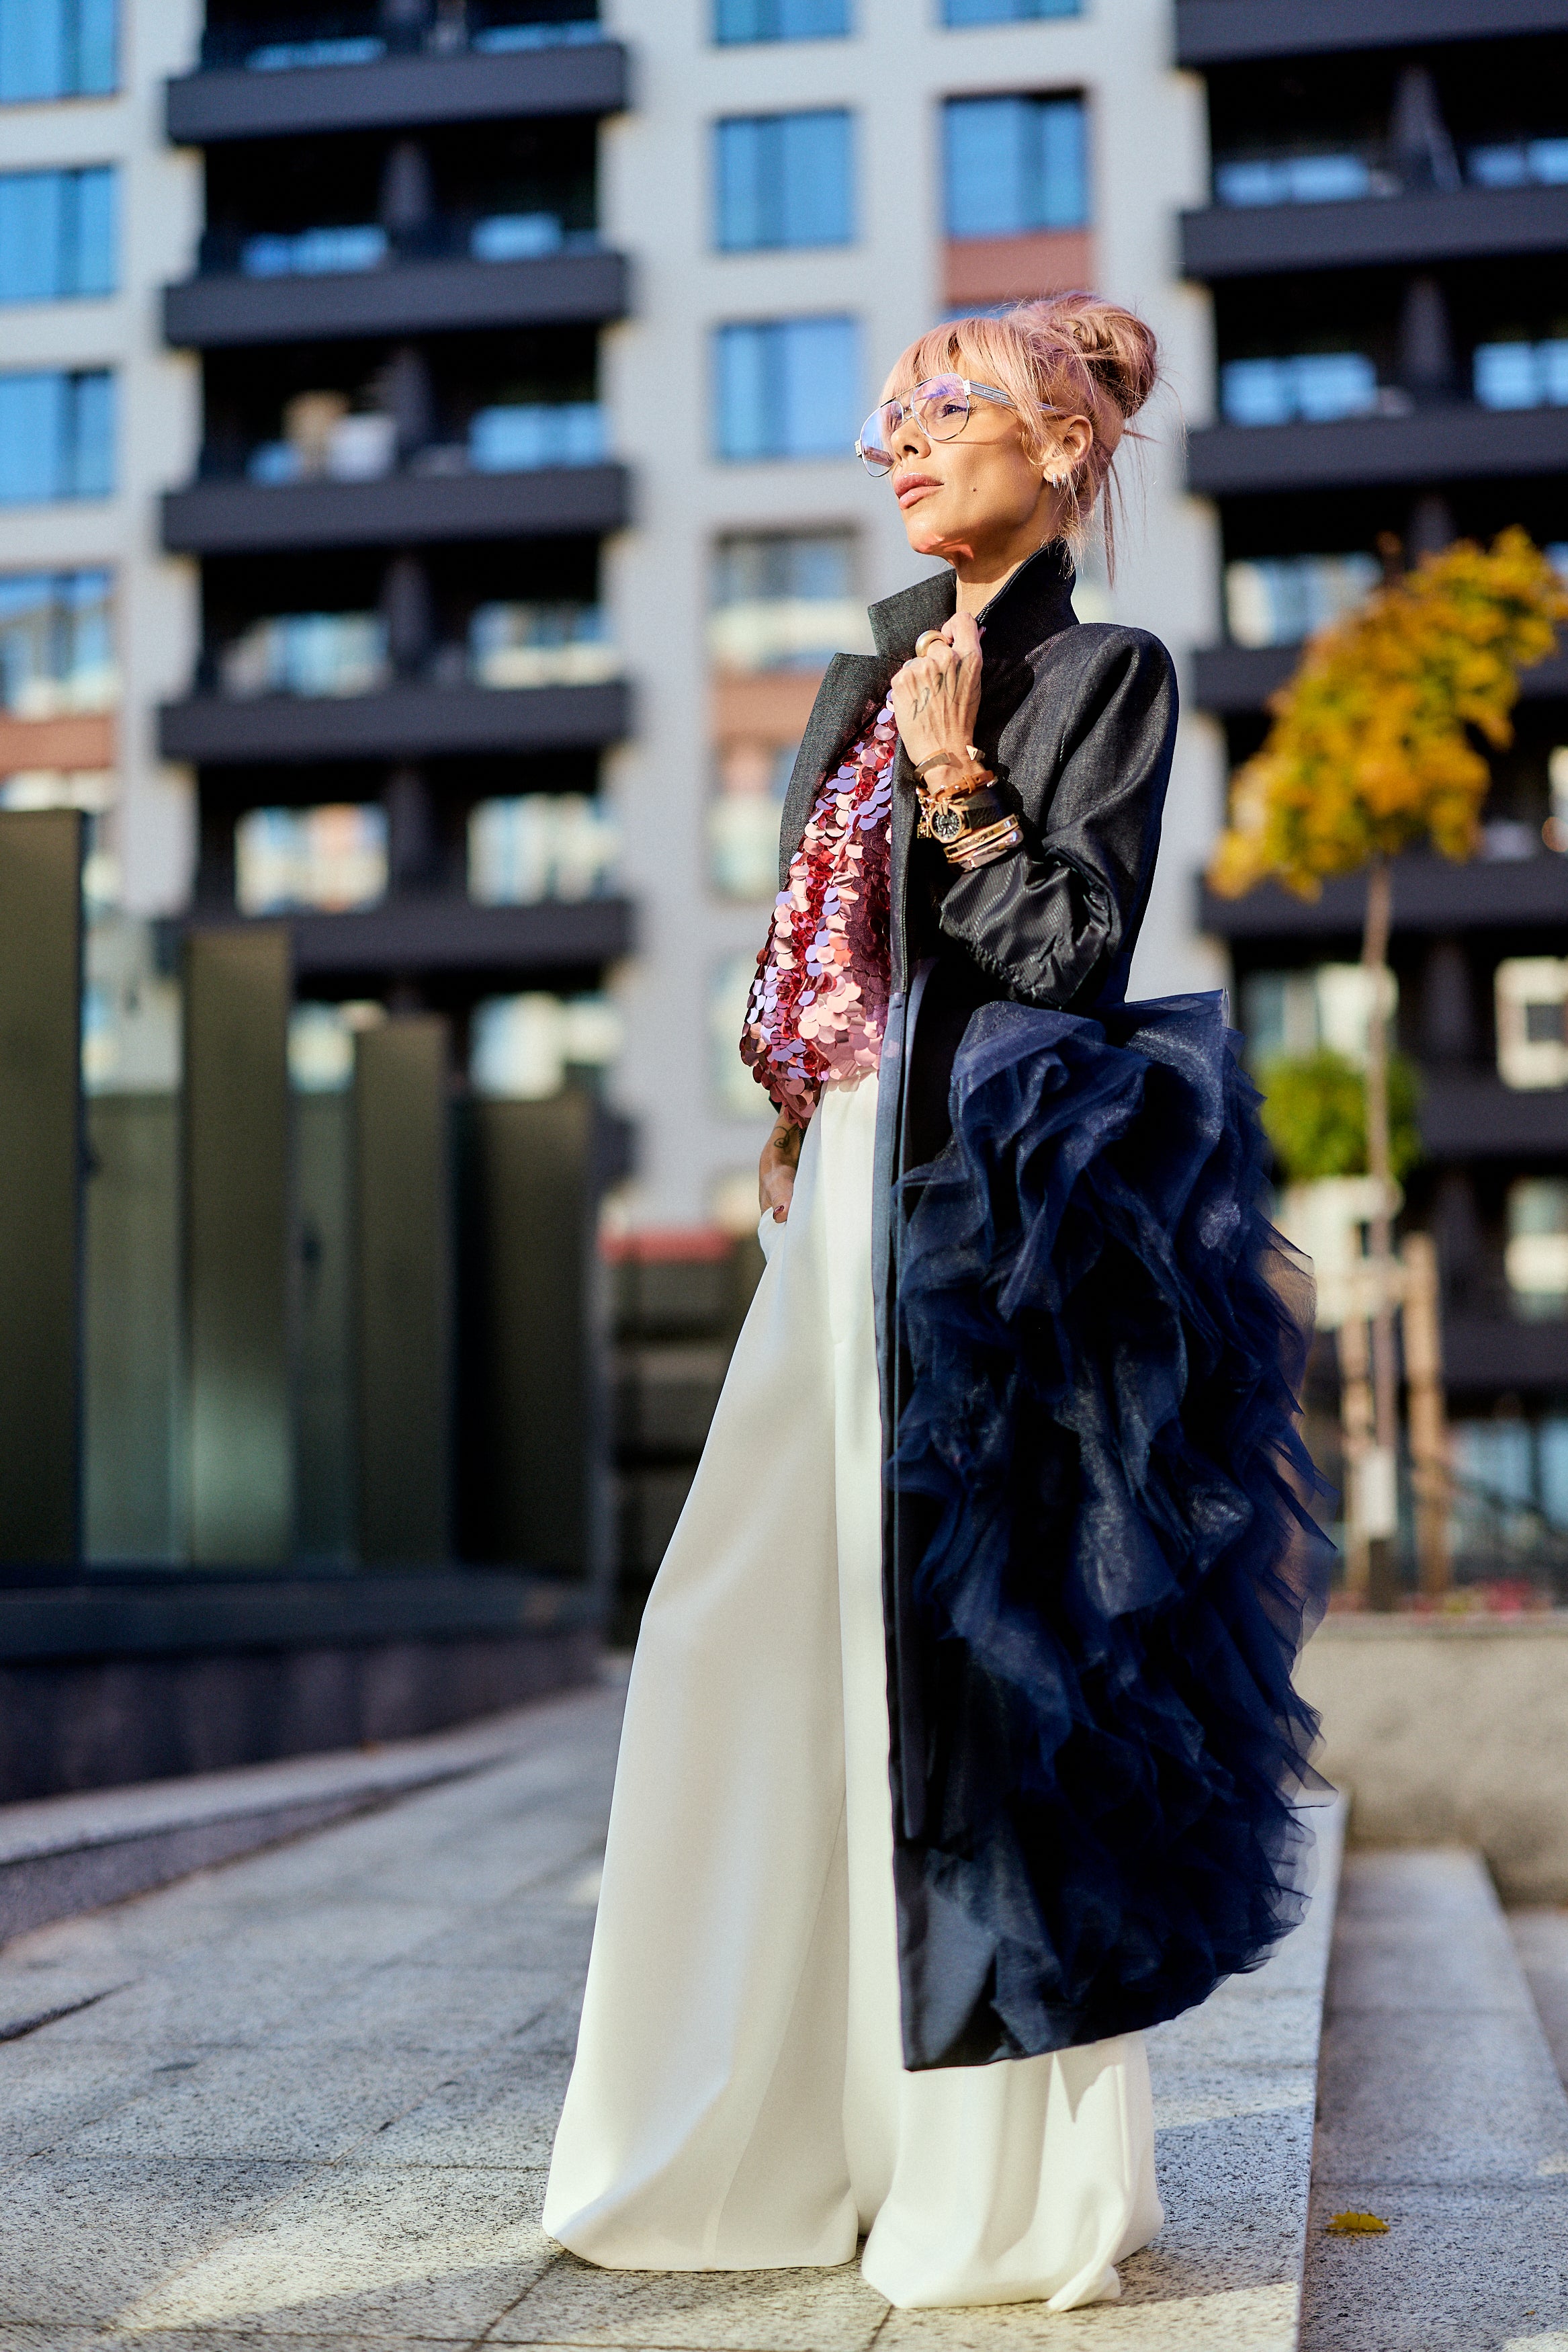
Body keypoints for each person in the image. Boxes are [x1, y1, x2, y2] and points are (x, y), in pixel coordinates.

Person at [543, 294, 1330, 2312]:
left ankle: (991, 2191)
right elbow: (823, 978)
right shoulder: (855, 675)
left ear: (1064, 451)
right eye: (892, 415)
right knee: (748, 1636)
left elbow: (1064, 957)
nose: (904, 441)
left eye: (953, 410)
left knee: (971, 1689)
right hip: (840, 1222)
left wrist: (963, 774)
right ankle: (753, 2143)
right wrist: (790, 1128)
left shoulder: (1102, 673)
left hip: (991, 1235)